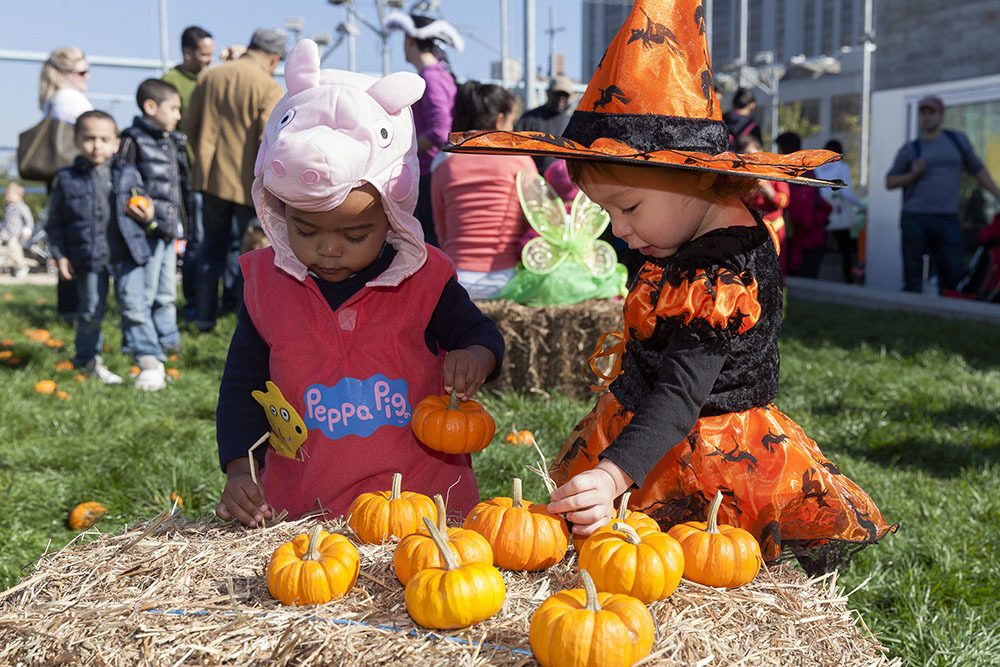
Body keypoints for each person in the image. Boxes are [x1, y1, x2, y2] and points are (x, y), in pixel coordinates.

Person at [446, 0, 895, 574]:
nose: (619, 231)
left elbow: (683, 393)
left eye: (628, 207)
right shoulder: (682, 232)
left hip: (703, 448)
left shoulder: (719, 272)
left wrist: (614, 471)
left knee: (685, 560)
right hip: (651, 420)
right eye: (608, 211)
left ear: (697, 178)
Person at [213, 40, 504, 527]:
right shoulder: (265, 284)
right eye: (306, 231)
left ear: (391, 217)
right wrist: (241, 468)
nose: (329, 249)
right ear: (281, 212)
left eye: (355, 234)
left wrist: (476, 356)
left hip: (424, 508)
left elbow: (480, 332)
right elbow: (243, 385)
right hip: (307, 513)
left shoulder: (425, 279)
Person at [45, 110, 166, 389]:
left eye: (104, 139)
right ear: (76, 140)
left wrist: (149, 218)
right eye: (88, 138)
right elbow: (55, 224)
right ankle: (87, 362)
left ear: (116, 143)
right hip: (89, 257)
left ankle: (149, 361)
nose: (96, 145)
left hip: (127, 255)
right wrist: (61, 256)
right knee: (90, 312)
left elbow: (145, 205)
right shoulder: (66, 179)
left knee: (135, 308)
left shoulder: (129, 172)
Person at [183, 28, 285, 333]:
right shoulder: (268, 86)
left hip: (211, 179)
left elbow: (189, 124)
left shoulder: (211, 76)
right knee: (254, 253)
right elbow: (268, 138)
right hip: (249, 184)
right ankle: (247, 322)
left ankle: (203, 318)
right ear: (274, 58)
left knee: (209, 249)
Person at [886, 95, 1000, 293]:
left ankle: (950, 313)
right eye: (923, 112)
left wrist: (997, 194)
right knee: (913, 273)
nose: (927, 117)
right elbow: (890, 182)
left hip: (948, 218)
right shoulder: (911, 149)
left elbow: (978, 169)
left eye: (932, 112)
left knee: (953, 271)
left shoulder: (957, 140)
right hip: (915, 217)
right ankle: (911, 312)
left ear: (941, 115)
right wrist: (912, 174)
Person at [431, 81, 535, 299]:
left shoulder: (444, 162)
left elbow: (441, 228)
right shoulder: (519, 160)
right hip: (506, 279)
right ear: (499, 120)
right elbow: (534, 220)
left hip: (458, 279)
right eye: (511, 121)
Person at [118, 79, 196, 362]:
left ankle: (168, 338)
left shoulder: (173, 142)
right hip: (147, 231)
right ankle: (137, 342)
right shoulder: (132, 140)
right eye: (174, 108)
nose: (178, 115)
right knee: (146, 292)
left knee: (166, 291)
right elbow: (125, 183)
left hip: (168, 230)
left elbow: (181, 188)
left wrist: (184, 224)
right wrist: (144, 214)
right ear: (150, 107)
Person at [384, 11, 464, 247]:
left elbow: (440, 131)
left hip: (429, 172)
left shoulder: (431, 76)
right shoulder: (440, 74)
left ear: (410, 40)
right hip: (435, 170)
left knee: (426, 244)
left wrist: (402, 149)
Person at [38, 47, 94, 319]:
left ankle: (69, 308)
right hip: (76, 182)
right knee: (77, 242)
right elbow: (94, 127)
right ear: (63, 73)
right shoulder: (70, 98)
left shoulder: (52, 98)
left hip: (61, 179)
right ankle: (77, 308)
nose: (88, 76)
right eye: (82, 72)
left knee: (66, 240)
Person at [162, 25, 214, 318]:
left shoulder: (213, 77)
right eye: (204, 54)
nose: (209, 59)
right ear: (187, 53)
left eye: (212, 54)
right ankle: (193, 302)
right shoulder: (172, 81)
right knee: (197, 240)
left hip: (214, 175)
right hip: (191, 175)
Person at [735, 135, 790, 280]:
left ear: (761, 151)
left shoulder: (774, 172)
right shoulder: (738, 178)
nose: (749, 159)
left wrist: (771, 194)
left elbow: (785, 201)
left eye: (752, 154)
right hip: (751, 231)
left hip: (776, 229)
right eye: (744, 156)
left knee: (778, 270)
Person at [777, 131, 831, 279]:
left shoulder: (784, 171)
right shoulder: (809, 170)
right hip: (813, 234)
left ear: (783, 149)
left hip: (793, 233)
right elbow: (817, 200)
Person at [815, 139, 866, 283]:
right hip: (837, 210)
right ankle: (847, 278)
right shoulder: (843, 167)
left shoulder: (816, 168)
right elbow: (846, 192)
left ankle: (815, 276)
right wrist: (861, 205)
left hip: (821, 210)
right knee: (845, 247)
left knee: (820, 246)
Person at [515, 75, 575, 173]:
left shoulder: (573, 121)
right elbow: (516, 149)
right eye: (557, 94)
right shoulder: (529, 118)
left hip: (565, 183)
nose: (561, 99)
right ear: (548, 93)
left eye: (565, 95)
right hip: (535, 181)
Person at [2, 183, 34, 279]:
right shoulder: (8, 207)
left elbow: (29, 220)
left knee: (14, 249)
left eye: (10, 194)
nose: (7, 197)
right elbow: (6, 220)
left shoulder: (22, 207)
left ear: (19, 196)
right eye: (6, 194)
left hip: (16, 233)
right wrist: (2, 227)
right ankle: (16, 266)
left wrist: (27, 230)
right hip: (7, 232)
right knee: (10, 251)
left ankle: (22, 266)